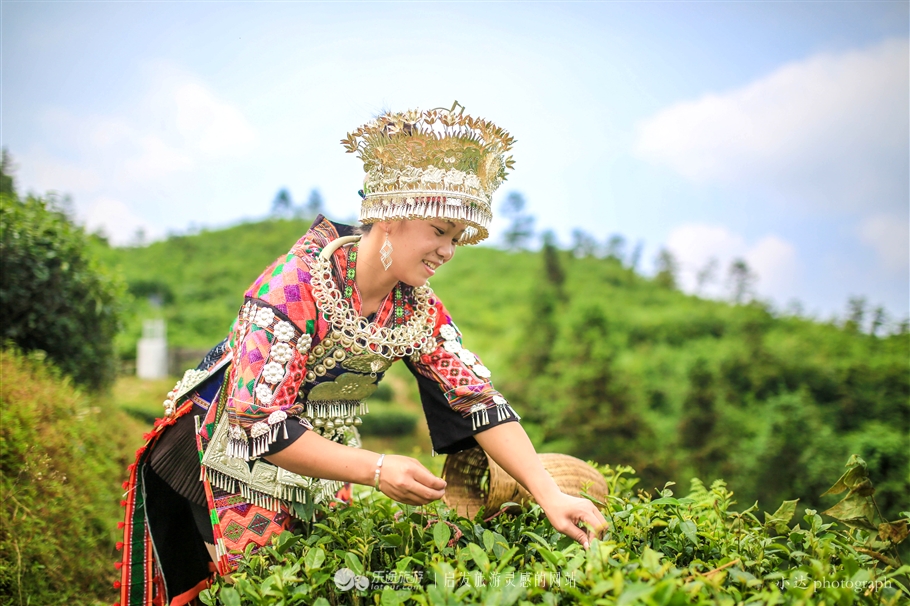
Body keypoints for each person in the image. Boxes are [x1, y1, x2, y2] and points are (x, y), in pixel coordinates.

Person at [115, 103, 608, 606]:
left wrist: (550, 495)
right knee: (269, 592)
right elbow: (254, 423)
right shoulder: (295, 284)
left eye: (456, 239)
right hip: (218, 459)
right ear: (390, 216)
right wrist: (375, 468)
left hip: (318, 462)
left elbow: (477, 400)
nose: (447, 251)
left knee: (335, 581)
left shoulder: (416, 311)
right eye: (438, 231)